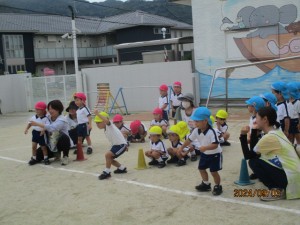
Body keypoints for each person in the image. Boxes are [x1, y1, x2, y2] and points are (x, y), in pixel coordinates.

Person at [240, 107, 300, 201]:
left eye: (257, 117)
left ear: (265, 119)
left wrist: (243, 135)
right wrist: (254, 130)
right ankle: (278, 187)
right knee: (258, 158)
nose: (255, 120)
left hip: (291, 178)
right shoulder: (277, 132)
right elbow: (255, 151)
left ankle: (277, 190)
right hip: (294, 174)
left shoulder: (269, 137)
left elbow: (248, 155)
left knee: (254, 162)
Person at [179, 107, 223, 196]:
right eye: (195, 121)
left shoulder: (211, 132)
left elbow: (215, 144)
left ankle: (218, 186)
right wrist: (182, 147)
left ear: (205, 121)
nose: (195, 123)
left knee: (213, 172)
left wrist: (206, 147)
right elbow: (189, 140)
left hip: (215, 154)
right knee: (201, 168)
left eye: (197, 121)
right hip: (205, 154)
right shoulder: (196, 130)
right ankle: (206, 184)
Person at [29, 100, 71, 165]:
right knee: (38, 155)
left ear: (58, 109)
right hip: (50, 143)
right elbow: (40, 117)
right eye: (49, 109)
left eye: (53, 108)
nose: (50, 111)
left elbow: (52, 128)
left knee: (63, 137)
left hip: (60, 143)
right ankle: (55, 153)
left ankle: (65, 156)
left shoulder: (62, 120)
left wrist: (38, 124)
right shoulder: (48, 116)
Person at [94, 110, 128, 180]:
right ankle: (122, 168)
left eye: (98, 122)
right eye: (96, 123)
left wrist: (98, 114)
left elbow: (107, 121)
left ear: (104, 120)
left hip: (121, 145)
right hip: (117, 145)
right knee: (109, 159)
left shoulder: (109, 126)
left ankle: (107, 172)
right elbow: (115, 138)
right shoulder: (106, 129)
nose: (97, 124)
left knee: (107, 155)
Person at [25, 101, 50, 165]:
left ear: (43, 110)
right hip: (35, 133)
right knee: (34, 146)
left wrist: (43, 130)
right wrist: (27, 129)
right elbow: (30, 123)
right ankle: (34, 158)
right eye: (36, 109)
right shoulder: (33, 117)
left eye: (38, 109)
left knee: (43, 147)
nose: (36, 110)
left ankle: (46, 158)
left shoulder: (45, 118)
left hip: (42, 134)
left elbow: (47, 126)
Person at [286, 82, 300, 148]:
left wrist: (299, 123)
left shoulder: (298, 102)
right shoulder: (286, 101)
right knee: (290, 138)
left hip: (296, 121)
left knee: (298, 138)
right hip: (289, 121)